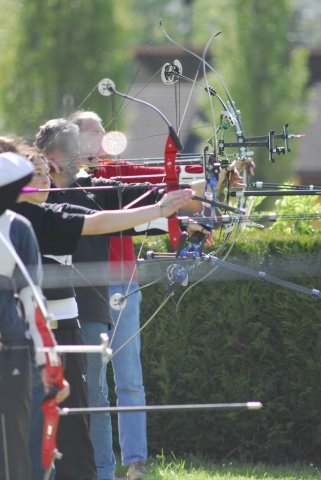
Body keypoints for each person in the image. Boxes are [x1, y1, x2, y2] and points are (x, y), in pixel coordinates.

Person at [34, 117, 208, 480]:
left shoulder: (93, 188)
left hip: (89, 306)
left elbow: (147, 195)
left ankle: (101, 472)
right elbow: (103, 220)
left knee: (90, 393)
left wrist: (210, 184)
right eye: (74, 148)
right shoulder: (31, 204)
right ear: (50, 156)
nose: (83, 154)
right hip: (39, 314)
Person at [69, 110, 170, 480]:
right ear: (74, 139)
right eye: (92, 132)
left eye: (102, 131)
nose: (101, 138)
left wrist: (211, 174)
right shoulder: (65, 183)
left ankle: (136, 461)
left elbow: (165, 178)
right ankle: (100, 467)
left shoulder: (118, 172)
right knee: (93, 386)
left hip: (123, 283)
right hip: (89, 289)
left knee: (129, 378)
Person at [0, 151, 69, 480]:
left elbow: (32, 303)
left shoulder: (18, 228)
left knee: (20, 441)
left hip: (13, 341)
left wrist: (50, 368)